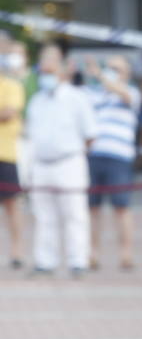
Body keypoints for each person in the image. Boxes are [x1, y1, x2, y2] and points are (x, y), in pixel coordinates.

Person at [25, 44, 96, 277]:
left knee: (74, 215)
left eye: (51, 71)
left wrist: (73, 155)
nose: (46, 76)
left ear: (63, 71)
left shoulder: (77, 98)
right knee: (44, 216)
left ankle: (78, 261)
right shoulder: (37, 101)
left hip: (69, 163)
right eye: (43, 72)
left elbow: (90, 135)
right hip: (42, 164)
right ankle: (45, 261)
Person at [84, 53, 140, 271]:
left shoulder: (132, 92)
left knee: (122, 207)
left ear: (127, 73)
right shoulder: (95, 94)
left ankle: (126, 254)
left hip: (119, 156)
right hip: (95, 155)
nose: (112, 72)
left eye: (117, 69)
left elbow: (124, 95)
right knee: (93, 208)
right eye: (109, 68)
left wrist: (101, 76)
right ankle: (93, 253)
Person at [0, 42, 26, 269]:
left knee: (11, 205)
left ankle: (16, 251)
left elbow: (9, 113)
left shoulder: (12, 85)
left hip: (5, 154)